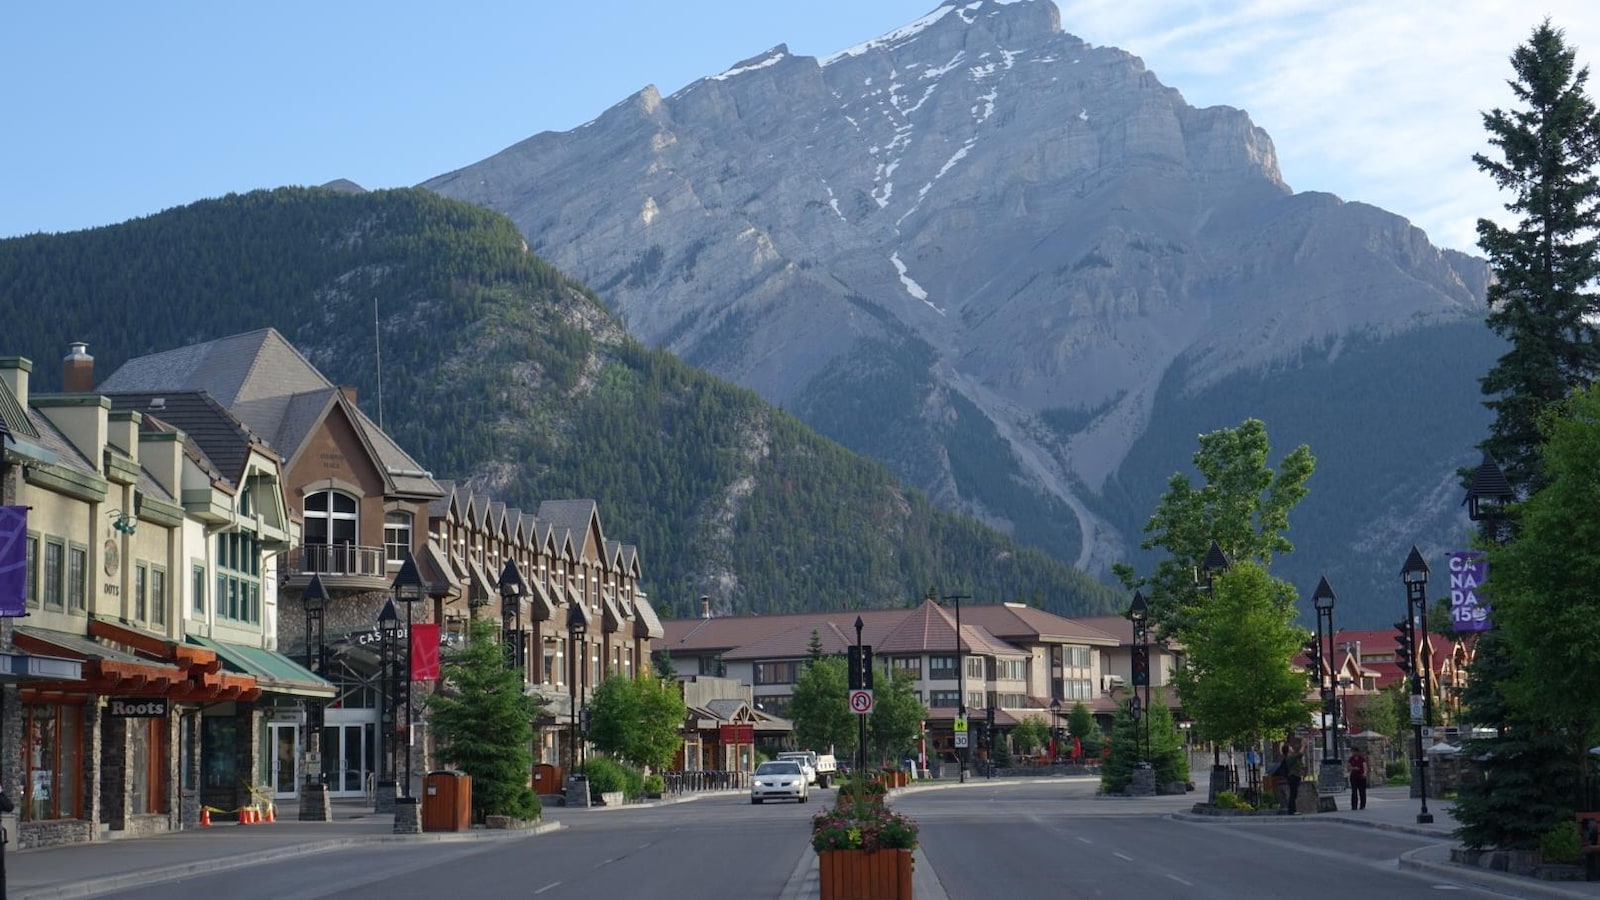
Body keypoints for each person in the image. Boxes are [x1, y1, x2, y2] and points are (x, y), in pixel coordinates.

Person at [1280, 737, 1304, 815]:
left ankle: (1293, 810)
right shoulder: (1289, 758)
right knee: (1293, 793)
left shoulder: (1291, 757)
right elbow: (1299, 755)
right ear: (1287, 750)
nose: (1292, 748)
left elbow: (1299, 757)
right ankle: (1292, 810)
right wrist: (1303, 746)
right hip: (1292, 776)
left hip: (1296, 776)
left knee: (1294, 793)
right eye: (1290, 747)